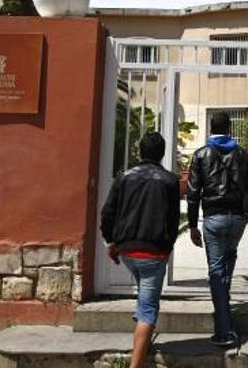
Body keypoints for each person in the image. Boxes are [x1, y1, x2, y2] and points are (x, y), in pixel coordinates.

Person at [100, 132, 180, 368]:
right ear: (163, 154)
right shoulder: (170, 180)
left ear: (140, 152)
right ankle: (136, 364)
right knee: (148, 309)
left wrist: (110, 242)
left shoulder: (124, 177)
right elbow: (173, 220)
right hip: (153, 254)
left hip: (128, 252)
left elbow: (107, 213)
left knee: (144, 298)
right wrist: (168, 247)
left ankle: (142, 339)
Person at [186, 111, 248, 348]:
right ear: (229, 129)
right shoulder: (241, 154)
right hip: (237, 218)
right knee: (227, 264)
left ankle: (225, 329)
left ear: (211, 127)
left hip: (213, 218)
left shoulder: (200, 154)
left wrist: (193, 224)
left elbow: (193, 192)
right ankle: (223, 314)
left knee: (217, 270)